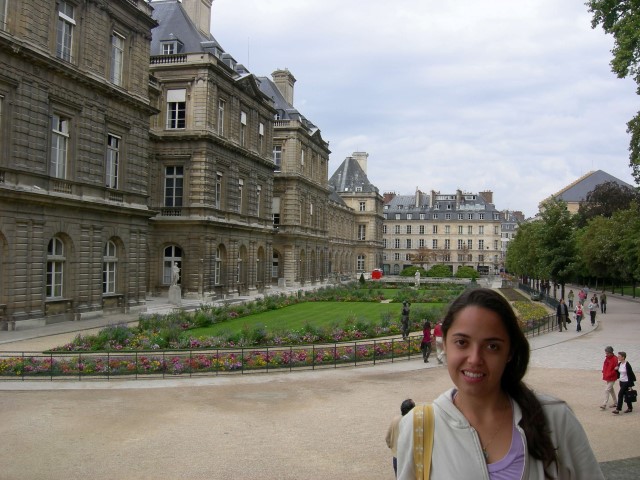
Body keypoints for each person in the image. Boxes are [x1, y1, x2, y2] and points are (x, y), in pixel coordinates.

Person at [396, 288, 603, 479]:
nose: (475, 359)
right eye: (462, 342)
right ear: (445, 345)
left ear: (510, 352)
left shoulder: (555, 419)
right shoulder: (417, 428)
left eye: (492, 346)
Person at [386, 399, 415, 477]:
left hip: (397, 457)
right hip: (408, 458)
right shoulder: (413, 422)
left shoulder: (395, 420)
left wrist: (393, 448)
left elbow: (387, 438)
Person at [600, 346, 618, 410]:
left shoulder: (615, 359)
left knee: (607, 390)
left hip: (612, 377)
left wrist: (609, 374)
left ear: (611, 352)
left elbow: (615, 369)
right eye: (606, 353)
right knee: (611, 390)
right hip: (608, 376)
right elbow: (605, 365)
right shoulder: (607, 358)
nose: (606, 354)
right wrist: (604, 372)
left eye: (607, 353)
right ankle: (616, 402)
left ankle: (604, 404)